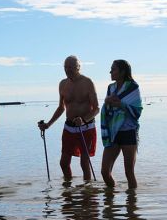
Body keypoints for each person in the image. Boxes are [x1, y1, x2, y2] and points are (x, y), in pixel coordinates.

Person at [38, 55, 99, 183]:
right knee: (63, 163)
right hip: (69, 127)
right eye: (65, 67)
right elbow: (61, 108)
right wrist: (48, 124)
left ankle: (86, 193)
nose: (67, 70)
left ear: (78, 67)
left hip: (86, 127)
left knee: (84, 163)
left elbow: (96, 109)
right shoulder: (63, 84)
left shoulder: (87, 82)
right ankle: (68, 190)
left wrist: (84, 120)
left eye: (71, 67)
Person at [101, 60, 143, 189]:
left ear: (122, 71)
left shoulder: (133, 87)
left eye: (113, 69)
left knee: (129, 172)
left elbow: (137, 111)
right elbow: (107, 109)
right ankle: (110, 198)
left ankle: (131, 205)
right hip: (113, 132)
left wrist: (120, 104)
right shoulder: (111, 87)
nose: (110, 72)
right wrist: (107, 102)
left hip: (128, 132)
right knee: (104, 172)